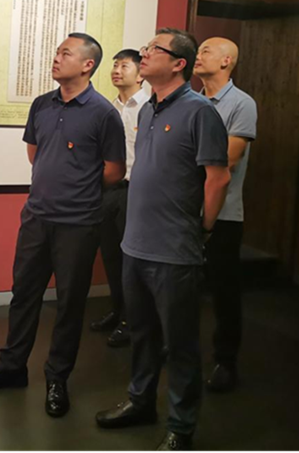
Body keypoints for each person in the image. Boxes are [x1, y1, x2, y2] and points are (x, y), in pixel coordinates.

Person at [0, 33, 126, 418]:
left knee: (69, 304)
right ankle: (12, 367)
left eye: (65, 53)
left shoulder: (103, 113)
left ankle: (57, 377)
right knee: (23, 294)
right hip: (37, 217)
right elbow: (34, 153)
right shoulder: (42, 104)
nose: (56, 58)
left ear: (88, 65)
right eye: (57, 52)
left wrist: (77, 187)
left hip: (79, 222)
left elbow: (114, 171)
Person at [96, 28, 230, 453]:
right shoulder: (148, 109)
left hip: (174, 249)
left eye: (154, 48)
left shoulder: (200, 112)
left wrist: (203, 228)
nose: (145, 53)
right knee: (142, 334)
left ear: (178, 64)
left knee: (181, 344)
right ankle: (140, 402)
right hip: (135, 244)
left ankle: (181, 426)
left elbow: (217, 177)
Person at [193, 37, 257, 392]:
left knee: (224, 292)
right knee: (182, 287)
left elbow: (227, 158)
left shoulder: (241, 103)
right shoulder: (192, 100)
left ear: (226, 60)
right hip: (186, 210)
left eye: (206, 50)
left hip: (224, 214)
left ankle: (225, 361)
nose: (198, 55)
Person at [91, 48, 149, 347]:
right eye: (115, 65)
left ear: (140, 75)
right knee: (111, 255)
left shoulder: (149, 107)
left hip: (136, 191)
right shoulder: (108, 108)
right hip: (108, 190)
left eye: (124, 66)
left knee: (131, 259)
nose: (116, 70)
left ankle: (132, 319)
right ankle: (117, 310)